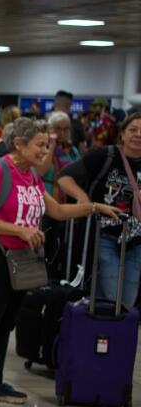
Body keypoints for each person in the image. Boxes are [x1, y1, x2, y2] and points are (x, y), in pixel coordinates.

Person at [0, 118, 120, 407]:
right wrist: (20, 230)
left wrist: (94, 207)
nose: (46, 151)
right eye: (41, 145)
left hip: (21, 259)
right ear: (19, 144)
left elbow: (56, 211)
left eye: (47, 145)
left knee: (6, 322)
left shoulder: (30, 175)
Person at [58, 112, 141, 307]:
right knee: (111, 297)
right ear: (122, 134)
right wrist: (83, 199)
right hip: (104, 236)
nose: (138, 135)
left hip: (136, 240)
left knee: (127, 301)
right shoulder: (105, 155)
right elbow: (64, 176)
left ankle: (116, 327)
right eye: (133, 130)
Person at [42, 111, 80, 197]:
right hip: (46, 195)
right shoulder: (43, 147)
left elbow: (79, 174)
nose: (62, 133)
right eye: (58, 129)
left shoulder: (73, 150)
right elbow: (41, 172)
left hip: (68, 195)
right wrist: (52, 146)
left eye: (66, 129)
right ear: (49, 129)